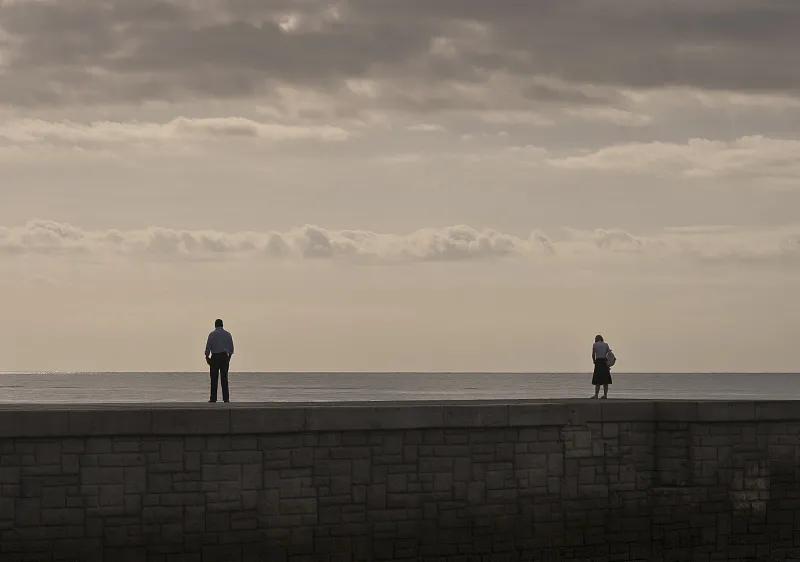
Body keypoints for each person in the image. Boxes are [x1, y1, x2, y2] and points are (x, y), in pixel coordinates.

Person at [205, 319, 234, 403]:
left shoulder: (212, 334)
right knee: (224, 378)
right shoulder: (228, 334)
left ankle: (213, 398)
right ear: (222, 325)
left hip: (215, 357)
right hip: (224, 356)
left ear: (215, 325)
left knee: (214, 378)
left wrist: (207, 357)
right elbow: (231, 348)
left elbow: (208, 347)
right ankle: (226, 398)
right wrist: (228, 358)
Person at [591, 334, 612, 399]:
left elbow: (593, 354)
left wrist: (594, 361)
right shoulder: (606, 344)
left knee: (597, 380)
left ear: (596, 339)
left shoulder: (595, 344)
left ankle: (596, 395)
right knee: (605, 380)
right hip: (604, 362)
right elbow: (609, 354)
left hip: (598, 362)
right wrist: (609, 363)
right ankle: (605, 395)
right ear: (602, 338)